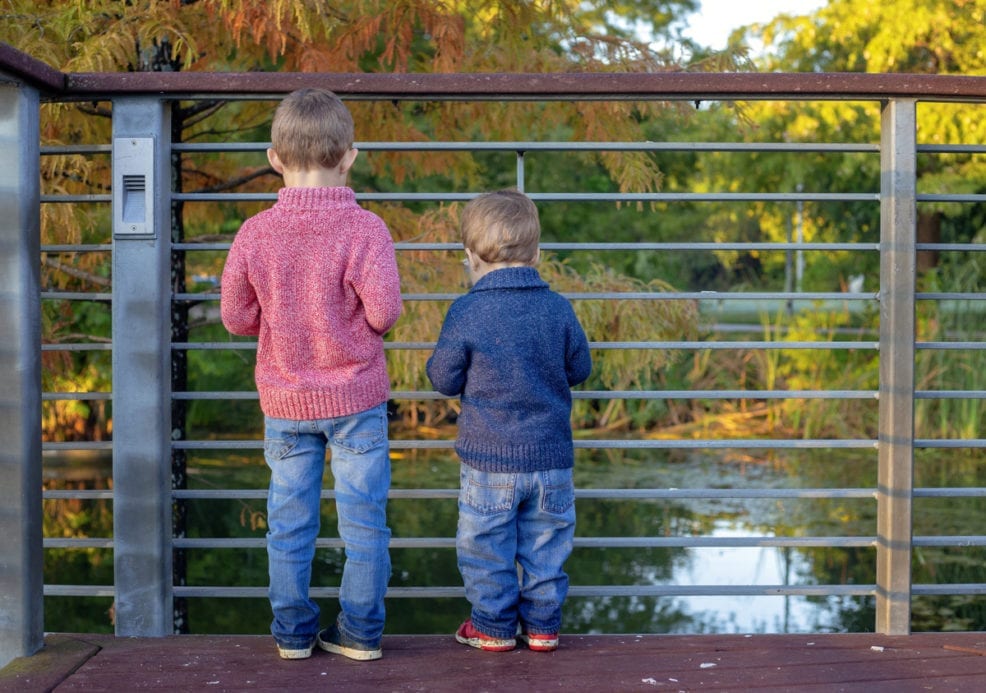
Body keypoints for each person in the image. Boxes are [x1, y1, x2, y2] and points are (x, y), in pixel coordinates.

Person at [220, 88, 402, 662]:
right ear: (349, 157)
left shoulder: (254, 233)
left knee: (289, 525)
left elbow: (236, 317)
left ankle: (293, 634)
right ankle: (361, 634)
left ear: (274, 159)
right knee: (364, 525)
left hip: (285, 402)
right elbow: (384, 314)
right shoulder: (366, 229)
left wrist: (284, 323)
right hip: (357, 400)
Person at [426, 189, 592, 653]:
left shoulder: (467, 311)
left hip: (488, 460)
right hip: (551, 459)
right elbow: (580, 368)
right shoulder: (558, 308)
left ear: (470, 256)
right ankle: (542, 626)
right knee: (546, 548)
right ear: (536, 254)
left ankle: (493, 625)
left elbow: (443, 378)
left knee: (485, 547)